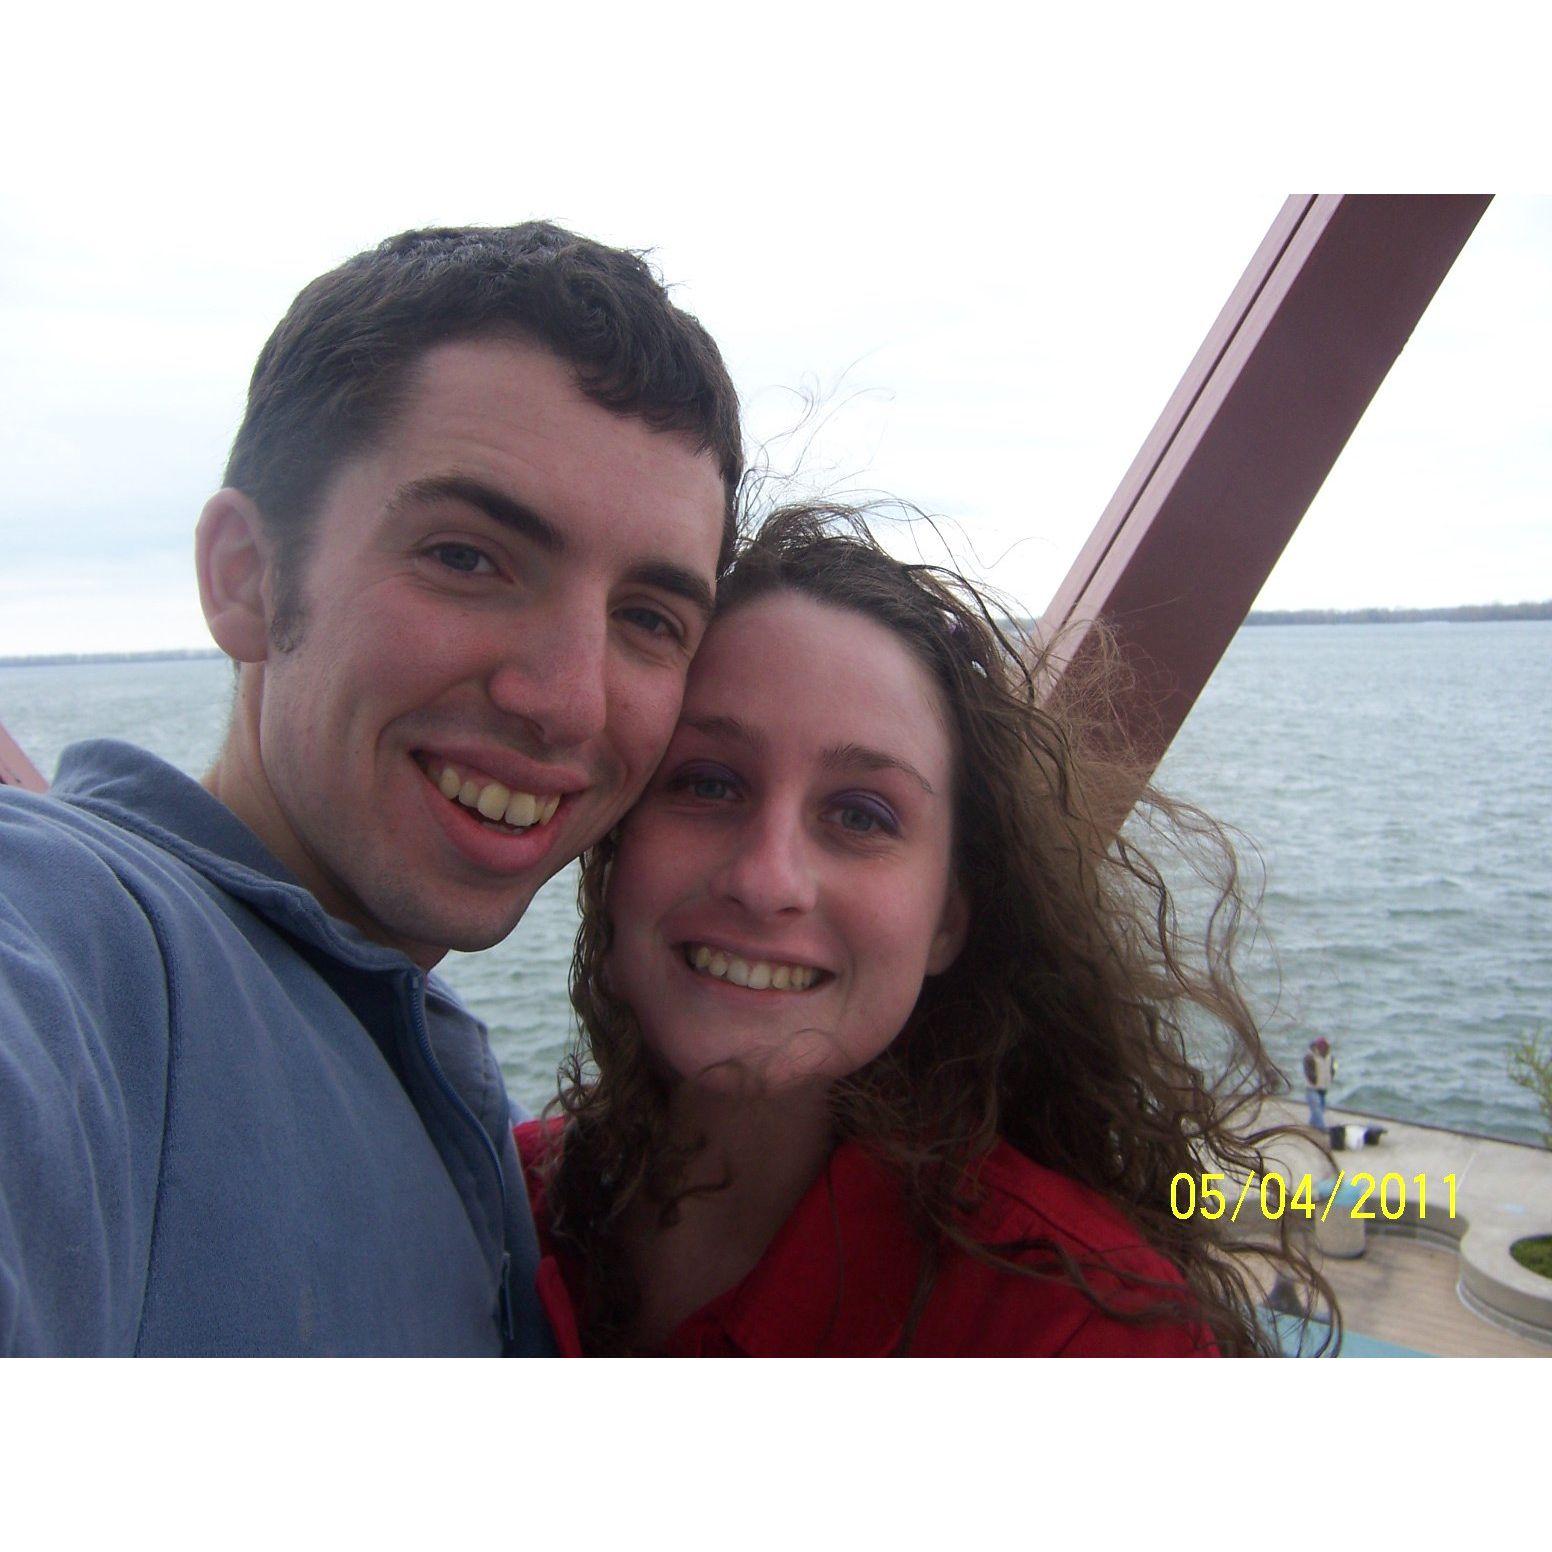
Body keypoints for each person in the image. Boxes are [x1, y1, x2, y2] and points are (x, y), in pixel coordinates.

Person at [0, 222, 741, 1355]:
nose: (569, 701)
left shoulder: (443, 1085)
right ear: (245, 578)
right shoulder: (74, 945)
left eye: (647, 618)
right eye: (467, 556)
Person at [518, 503, 1329, 1356]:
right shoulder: (481, 1195)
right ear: (616, 851)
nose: (767, 880)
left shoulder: (1077, 1323)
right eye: (709, 784)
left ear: (949, 918)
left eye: (861, 816)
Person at [1304, 1037, 1336, 1130]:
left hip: (1323, 1087)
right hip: (1312, 1088)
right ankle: (1322, 1128)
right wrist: (1313, 1079)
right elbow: (1308, 1071)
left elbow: (1335, 1066)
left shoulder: (1331, 1057)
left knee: (1320, 1109)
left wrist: (1332, 1075)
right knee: (1316, 1108)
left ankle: (1312, 1125)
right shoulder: (1309, 1057)